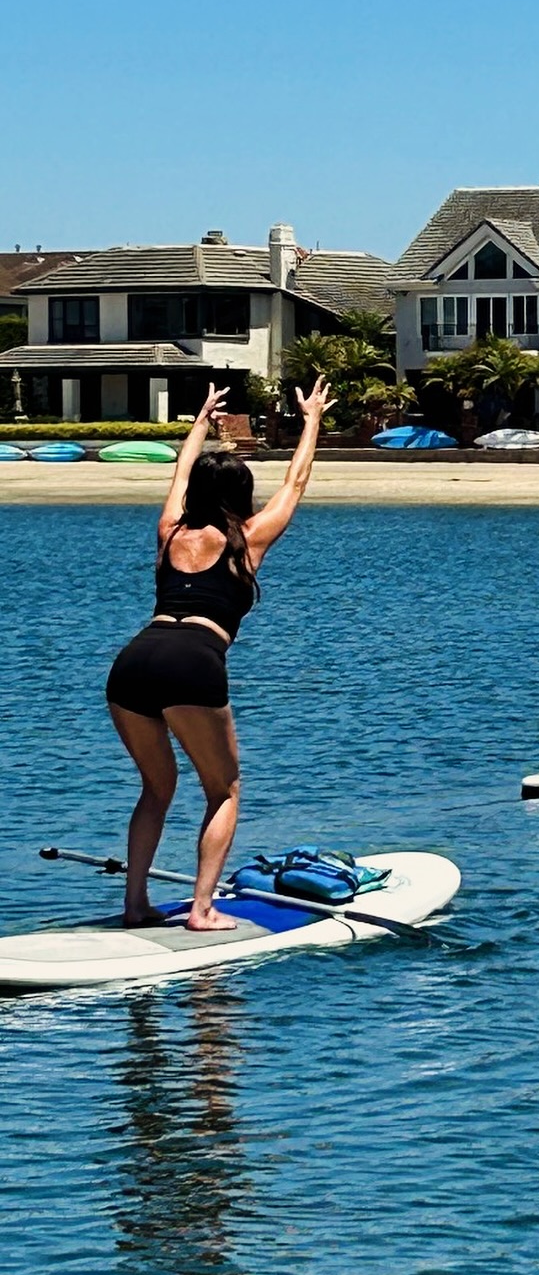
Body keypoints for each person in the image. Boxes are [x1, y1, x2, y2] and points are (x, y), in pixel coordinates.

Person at [105, 377, 335, 931]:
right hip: (192, 660)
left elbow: (180, 476)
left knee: (157, 788)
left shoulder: (169, 531)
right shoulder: (248, 539)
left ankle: (136, 905)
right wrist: (311, 421)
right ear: (240, 495)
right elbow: (297, 482)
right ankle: (202, 911)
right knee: (224, 790)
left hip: (134, 660)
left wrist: (200, 423)